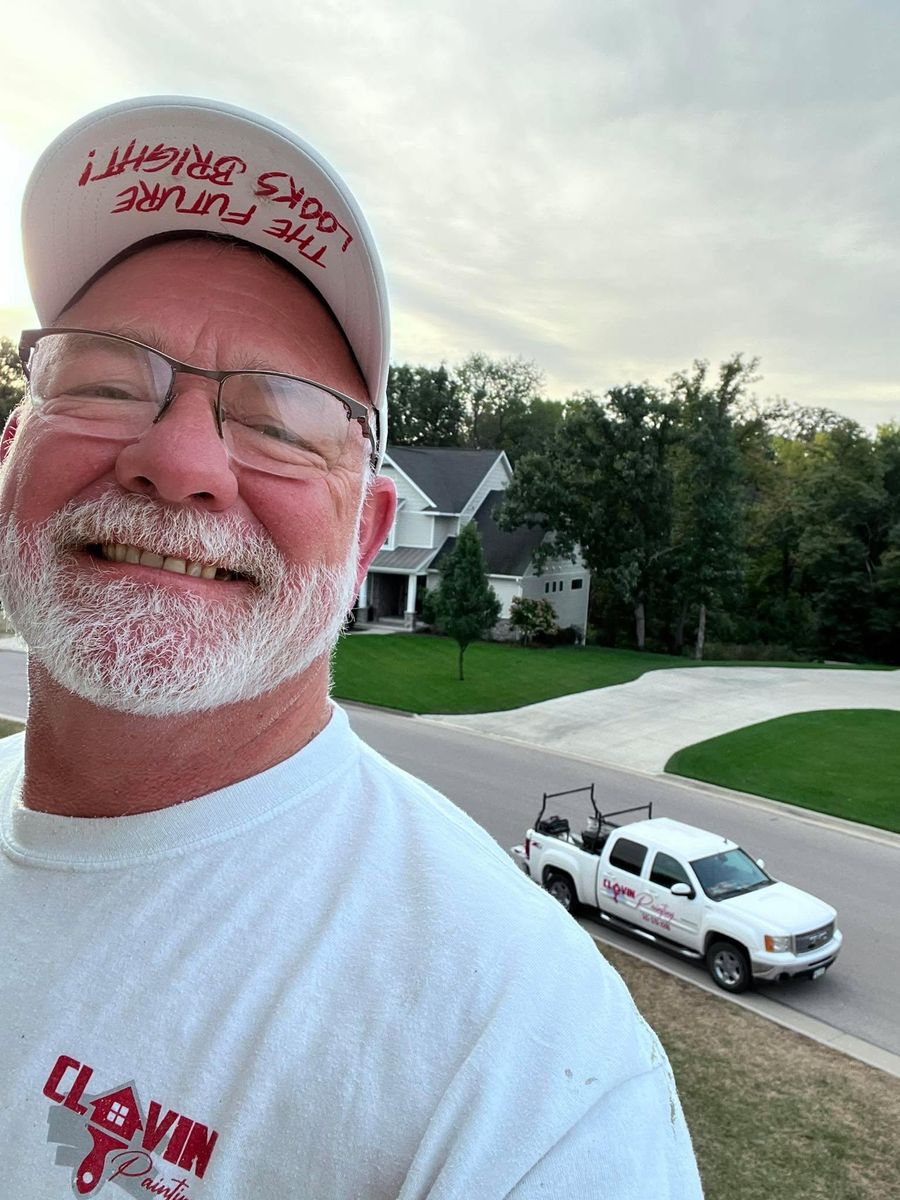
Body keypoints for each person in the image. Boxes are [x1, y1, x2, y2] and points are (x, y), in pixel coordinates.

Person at [0, 97, 703, 1199]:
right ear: (12, 449)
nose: (178, 458)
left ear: (370, 531)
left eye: (282, 420)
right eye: (103, 379)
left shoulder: (522, 1064)